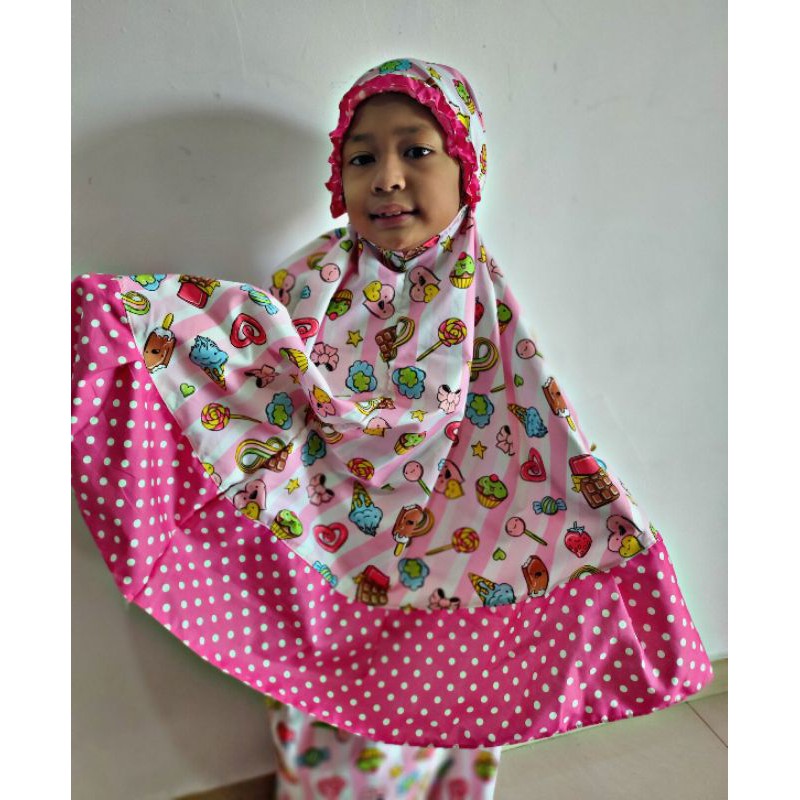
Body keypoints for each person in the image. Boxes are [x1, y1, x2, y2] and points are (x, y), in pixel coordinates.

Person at [71, 58, 714, 799]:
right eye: (362, 158)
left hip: (450, 557)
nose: (386, 178)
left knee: (453, 723)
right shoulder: (312, 278)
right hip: (327, 548)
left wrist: (605, 526)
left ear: (468, 168)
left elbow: (531, 418)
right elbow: (259, 375)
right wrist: (140, 317)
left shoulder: (480, 296)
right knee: (335, 731)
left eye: (416, 150)